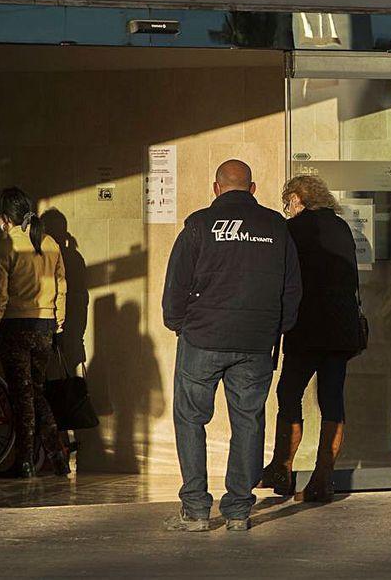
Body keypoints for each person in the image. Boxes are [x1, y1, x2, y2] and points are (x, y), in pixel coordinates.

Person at [162, 160, 302, 532]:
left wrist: (178, 323)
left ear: (216, 188)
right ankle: (239, 510)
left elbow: (176, 282)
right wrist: (275, 328)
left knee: (191, 418)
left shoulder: (199, 225)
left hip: (203, 339)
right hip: (255, 342)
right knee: (248, 420)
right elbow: (292, 289)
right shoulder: (276, 226)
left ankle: (195, 509)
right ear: (252, 189)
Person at [260, 175, 362, 503]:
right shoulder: (342, 227)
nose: (286, 209)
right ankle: (323, 478)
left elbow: (282, 279)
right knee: (332, 399)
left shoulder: (294, 230)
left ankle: (282, 468)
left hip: (307, 328)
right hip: (342, 329)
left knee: (289, 393)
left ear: (299, 198)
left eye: (287, 201)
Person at [0, 187, 70, 479]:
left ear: (4, 217)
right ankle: (57, 456)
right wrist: (58, 322)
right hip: (45, 328)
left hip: (15, 327)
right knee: (35, 392)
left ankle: (25, 461)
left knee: (23, 396)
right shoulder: (50, 243)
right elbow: (62, 287)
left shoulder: (6, 245)